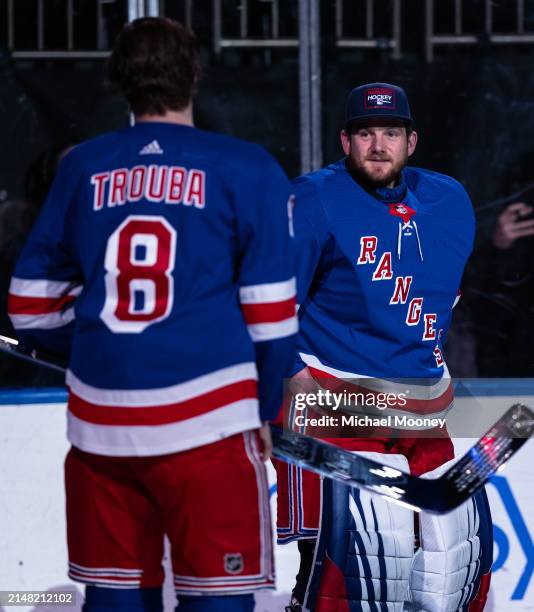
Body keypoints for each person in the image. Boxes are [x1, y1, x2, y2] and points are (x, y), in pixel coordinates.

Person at [8, 17, 297, 612]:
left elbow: (30, 307)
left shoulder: (82, 166)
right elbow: (270, 319)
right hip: (209, 426)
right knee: (216, 598)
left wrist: (102, 341)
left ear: (119, 81)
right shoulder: (247, 168)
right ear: (195, 74)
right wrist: (269, 407)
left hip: (100, 427)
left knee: (114, 599)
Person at [274, 83, 492, 611]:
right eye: (365, 133)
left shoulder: (449, 200)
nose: (378, 145)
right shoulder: (312, 199)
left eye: (391, 133)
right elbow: (265, 298)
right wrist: (289, 374)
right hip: (332, 403)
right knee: (351, 573)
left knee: (447, 571)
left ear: (411, 141)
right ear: (345, 141)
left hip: (420, 410)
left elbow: (447, 294)